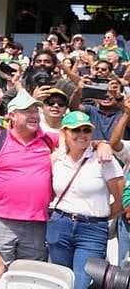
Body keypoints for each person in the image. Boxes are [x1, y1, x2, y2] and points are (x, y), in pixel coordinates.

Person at [0, 89, 54, 265]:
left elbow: (78, 140)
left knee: (29, 279)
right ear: (12, 116)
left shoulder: (49, 140)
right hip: (1, 222)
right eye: (27, 111)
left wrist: (100, 145)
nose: (34, 116)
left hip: (37, 224)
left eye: (35, 112)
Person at [48, 111, 123, 289]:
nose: (82, 135)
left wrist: (98, 217)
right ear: (65, 132)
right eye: (76, 130)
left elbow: (121, 200)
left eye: (86, 130)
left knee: (83, 283)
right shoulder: (55, 160)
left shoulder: (104, 158)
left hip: (92, 230)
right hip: (60, 224)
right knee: (60, 281)